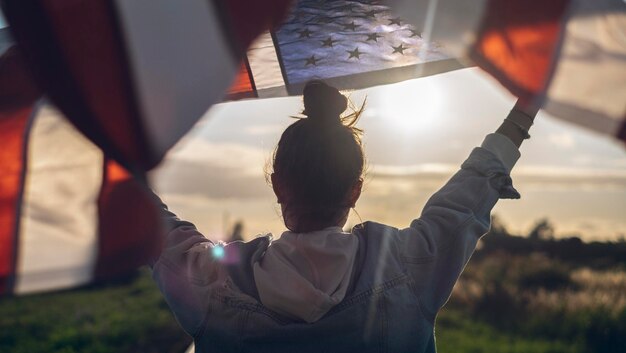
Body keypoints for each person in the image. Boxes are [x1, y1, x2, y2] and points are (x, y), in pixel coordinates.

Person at [151, 80, 537, 353]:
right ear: (355, 190)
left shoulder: (213, 283)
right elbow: (464, 199)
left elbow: (154, 226)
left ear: (277, 185)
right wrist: (525, 110)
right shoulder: (411, 267)